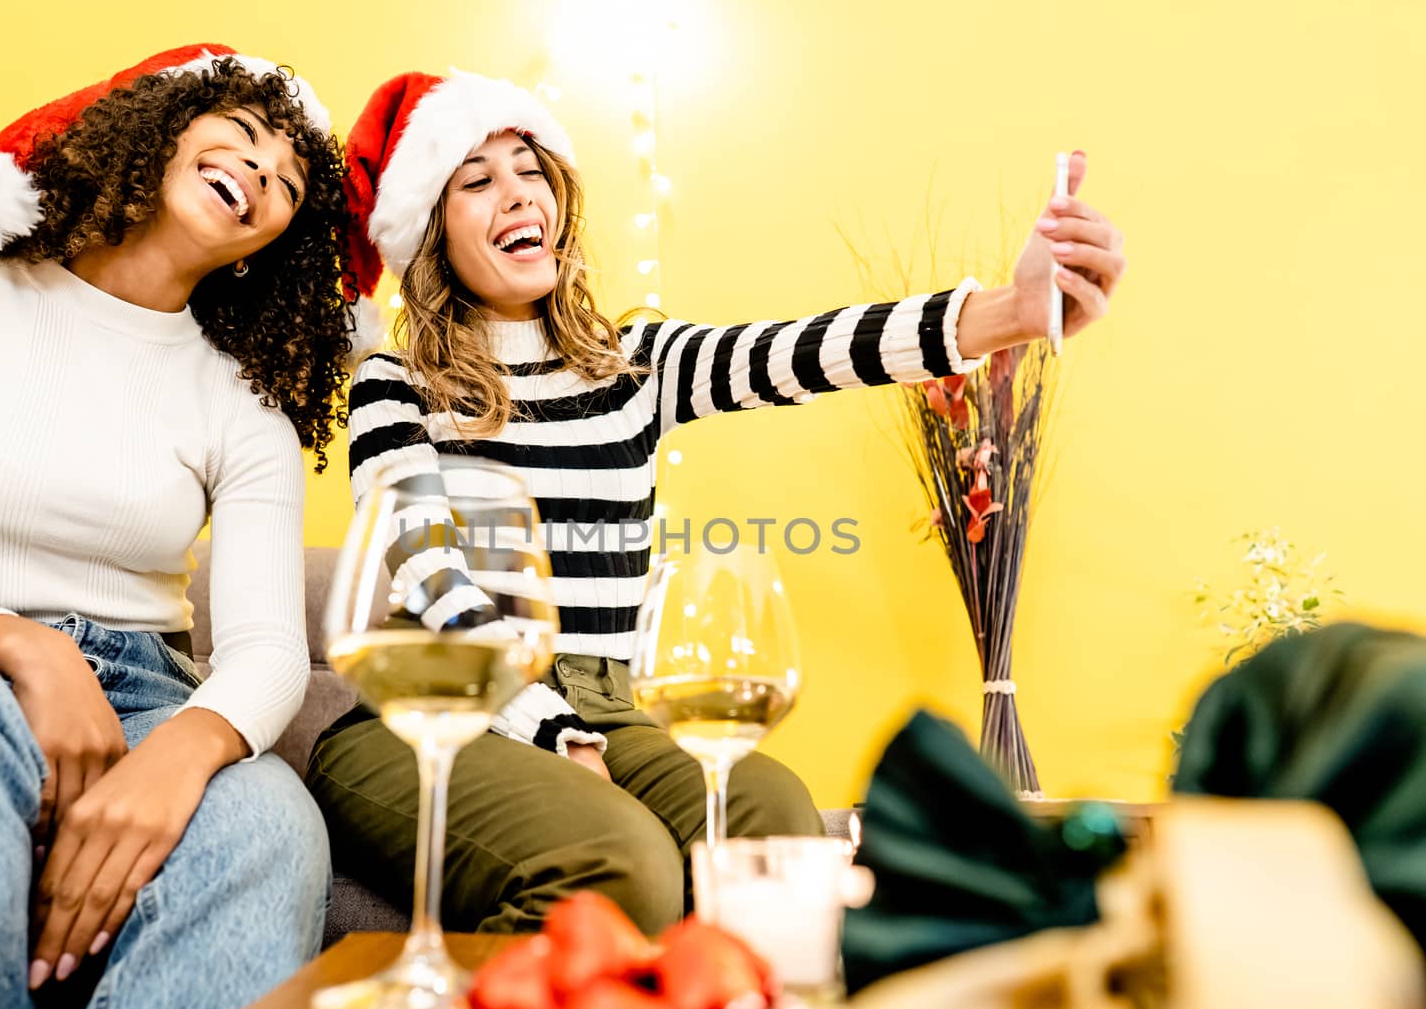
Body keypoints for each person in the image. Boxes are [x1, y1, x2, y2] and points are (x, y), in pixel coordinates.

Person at [307, 70, 1127, 935]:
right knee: (620, 866)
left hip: (608, 703)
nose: (518, 193)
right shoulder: (395, 385)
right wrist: (559, 734)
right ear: (431, 234)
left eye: (529, 167)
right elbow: (427, 568)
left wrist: (1012, 310)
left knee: (773, 816)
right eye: (477, 181)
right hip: (434, 714)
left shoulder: (628, 366)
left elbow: (799, 352)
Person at [0, 44, 357, 1009]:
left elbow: (263, 653)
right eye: (240, 135)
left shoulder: (248, 407)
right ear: (152, 129)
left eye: (288, 181)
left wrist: (179, 755)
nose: (260, 171)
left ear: (266, 246)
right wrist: (25, 647)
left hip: (152, 690)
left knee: (271, 824)